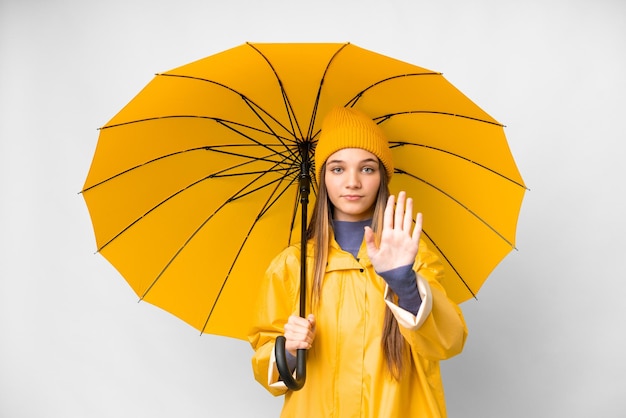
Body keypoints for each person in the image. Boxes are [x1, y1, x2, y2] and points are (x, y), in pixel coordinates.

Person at [249, 106, 468, 417]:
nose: (352, 182)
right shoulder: (291, 266)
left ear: (382, 177)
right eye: (337, 168)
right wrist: (287, 349)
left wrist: (405, 284)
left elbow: (449, 341)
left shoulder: (413, 258)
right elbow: (267, 371)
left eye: (367, 168)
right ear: (321, 177)